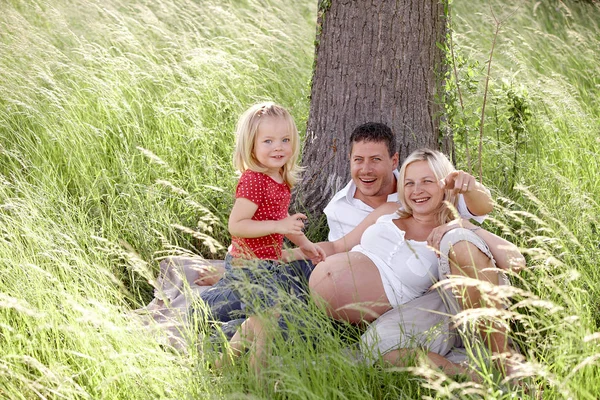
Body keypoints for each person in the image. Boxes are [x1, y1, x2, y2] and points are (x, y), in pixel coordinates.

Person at [307, 148, 526, 379]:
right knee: (375, 348)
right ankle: (473, 376)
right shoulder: (390, 212)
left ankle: (505, 360)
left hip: (442, 304)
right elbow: (340, 245)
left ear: (445, 185)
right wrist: (294, 253)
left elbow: (516, 261)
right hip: (403, 315)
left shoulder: (452, 230)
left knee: (456, 239)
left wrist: (463, 222)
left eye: (427, 181)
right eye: (409, 183)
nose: (416, 190)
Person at [209, 102, 326, 369]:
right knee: (267, 322)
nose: (278, 147)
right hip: (248, 265)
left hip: (266, 264)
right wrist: (276, 226)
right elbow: (237, 225)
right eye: (268, 141)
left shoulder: (279, 179)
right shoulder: (254, 180)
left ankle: (223, 364)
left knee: (261, 321)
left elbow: (285, 224)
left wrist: (306, 245)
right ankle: (257, 377)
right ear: (251, 146)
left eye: (285, 140)